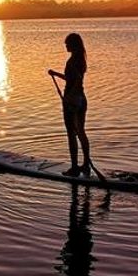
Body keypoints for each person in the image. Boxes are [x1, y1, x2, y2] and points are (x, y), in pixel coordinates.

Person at [48, 32, 92, 177]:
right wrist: (55, 74)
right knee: (81, 132)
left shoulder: (72, 61)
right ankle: (86, 165)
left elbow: (77, 81)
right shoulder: (80, 60)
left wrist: (70, 97)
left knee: (71, 134)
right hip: (82, 99)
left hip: (72, 101)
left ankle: (74, 168)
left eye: (67, 44)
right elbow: (70, 78)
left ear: (73, 45)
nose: (66, 46)